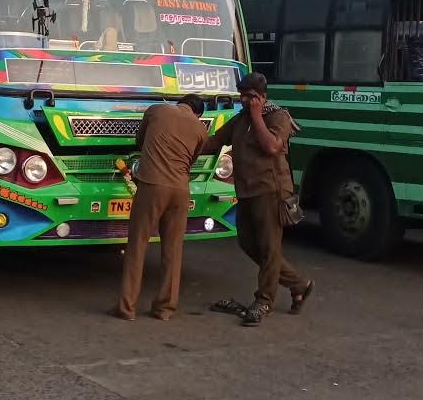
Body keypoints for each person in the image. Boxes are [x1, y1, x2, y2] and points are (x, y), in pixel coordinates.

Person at [203, 73, 314, 327]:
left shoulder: (278, 117)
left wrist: (256, 116)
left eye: (251, 97)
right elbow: (214, 142)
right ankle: (299, 283)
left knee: (269, 248)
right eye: (242, 95)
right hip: (246, 191)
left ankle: (264, 300)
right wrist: (182, 139)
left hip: (271, 191)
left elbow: (272, 146)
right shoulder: (240, 119)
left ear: (263, 97)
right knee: (248, 243)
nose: (245, 101)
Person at [110, 94, 208, 322]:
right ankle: (164, 308)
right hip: (181, 190)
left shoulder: (157, 111)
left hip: (152, 186)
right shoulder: (200, 129)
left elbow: (140, 141)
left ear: (181, 103)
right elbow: (191, 159)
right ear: (197, 113)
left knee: (138, 244)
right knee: (173, 251)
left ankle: (127, 307)